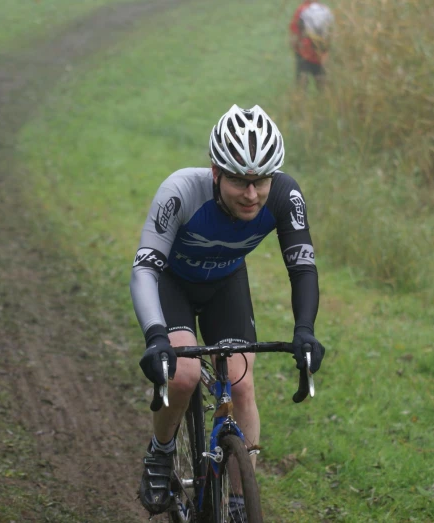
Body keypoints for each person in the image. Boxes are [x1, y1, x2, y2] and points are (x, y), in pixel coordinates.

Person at [130, 104, 326, 516]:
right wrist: (155, 338)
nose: (252, 194)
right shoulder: (180, 191)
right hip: (173, 283)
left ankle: (238, 504)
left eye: (261, 181)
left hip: (225, 285)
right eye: (239, 180)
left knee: (241, 385)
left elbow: (303, 268)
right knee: (181, 376)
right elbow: (145, 268)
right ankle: (161, 454)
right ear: (216, 172)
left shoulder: (285, 196)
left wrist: (304, 330)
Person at [290, 1, 334, 89]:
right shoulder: (325, 9)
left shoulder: (301, 10)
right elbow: (331, 31)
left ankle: (301, 101)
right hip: (321, 51)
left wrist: (295, 47)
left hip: (304, 51)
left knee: (302, 80)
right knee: (322, 80)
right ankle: (326, 100)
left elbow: (294, 33)